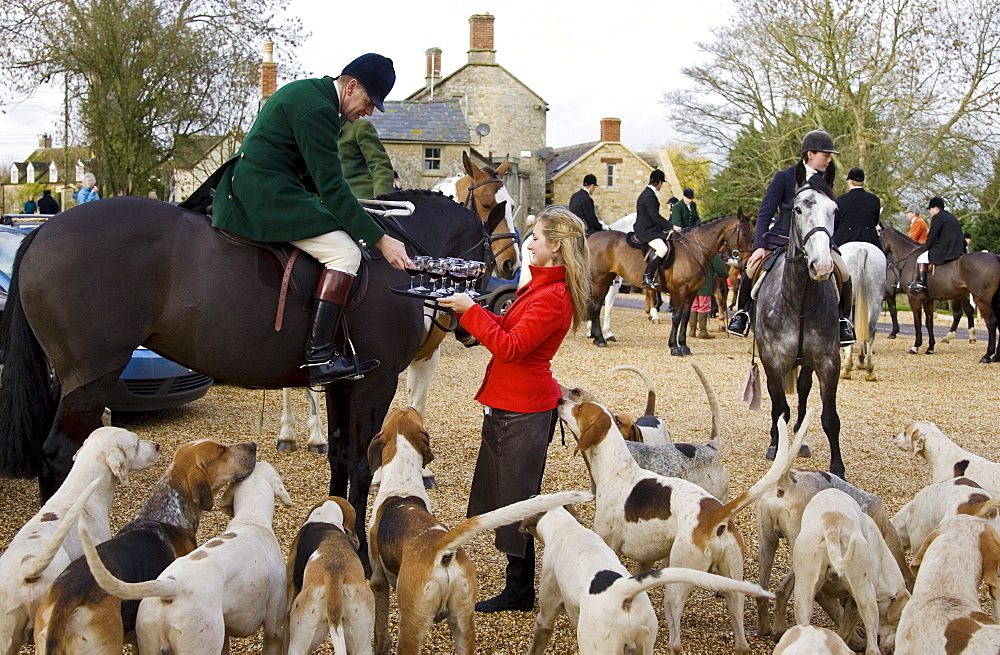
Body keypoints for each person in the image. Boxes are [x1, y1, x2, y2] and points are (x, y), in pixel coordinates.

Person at [209, 53, 409, 386]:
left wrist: (352, 213)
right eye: (369, 101)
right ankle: (320, 356)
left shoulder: (314, 95)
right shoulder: (319, 110)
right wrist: (379, 238)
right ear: (352, 86)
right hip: (266, 195)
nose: (370, 111)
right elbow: (331, 186)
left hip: (274, 187)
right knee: (345, 253)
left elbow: (320, 181)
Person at [438, 206, 591, 613]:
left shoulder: (553, 296)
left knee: (518, 502)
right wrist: (470, 307)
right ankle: (519, 589)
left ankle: (520, 593)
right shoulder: (539, 287)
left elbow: (510, 347)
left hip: (523, 410)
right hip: (510, 404)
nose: (530, 242)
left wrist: (470, 312)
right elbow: (506, 331)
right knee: (505, 499)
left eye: (537, 237)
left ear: (555, 247)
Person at [727, 129, 856, 345]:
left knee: (843, 272)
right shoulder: (784, 177)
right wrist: (759, 245)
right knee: (752, 268)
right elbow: (766, 212)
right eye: (825, 154)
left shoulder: (827, 179)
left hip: (817, 240)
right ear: (810, 154)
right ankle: (743, 313)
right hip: (781, 238)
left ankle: (843, 320)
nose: (829, 159)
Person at [635, 169, 681, 289]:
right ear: (660, 182)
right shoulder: (650, 196)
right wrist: (671, 226)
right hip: (646, 230)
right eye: (662, 183)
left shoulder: (646, 193)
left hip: (649, 228)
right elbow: (655, 216)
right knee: (663, 249)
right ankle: (647, 277)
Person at [909, 197, 965, 293]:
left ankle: (921, 283)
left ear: (936, 208)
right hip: (957, 248)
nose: (930, 212)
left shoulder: (937, 217)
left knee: (921, 258)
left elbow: (932, 236)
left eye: (930, 209)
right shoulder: (951, 216)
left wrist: (925, 249)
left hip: (945, 248)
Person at [339, 118, 394, 199]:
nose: (369, 112)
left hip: (359, 200)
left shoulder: (360, 126)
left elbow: (380, 165)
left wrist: (381, 202)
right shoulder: (319, 126)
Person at [832, 167, 882, 251]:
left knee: (828, 258)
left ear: (850, 182)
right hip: (870, 239)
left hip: (844, 238)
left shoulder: (840, 200)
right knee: (885, 259)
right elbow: (875, 221)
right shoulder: (874, 199)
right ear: (863, 182)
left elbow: (836, 222)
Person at [692, 253, 727, 339]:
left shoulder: (693, 249)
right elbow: (720, 270)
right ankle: (703, 331)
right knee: (703, 307)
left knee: (694, 306)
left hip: (693, 284)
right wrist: (725, 275)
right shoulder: (712, 252)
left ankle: (692, 331)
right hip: (705, 284)